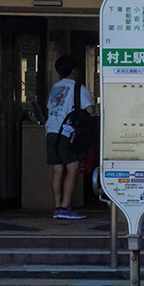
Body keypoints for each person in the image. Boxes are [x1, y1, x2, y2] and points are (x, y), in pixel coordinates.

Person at [44, 55, 93, 219]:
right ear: (73, 70)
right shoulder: (77, 87)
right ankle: (66, 208)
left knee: (58, 170)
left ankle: (57, 207)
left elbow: (50, 108)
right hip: (66, 133)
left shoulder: (55, 87)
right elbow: (90, 110)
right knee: (73, 168)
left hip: (51, 131)